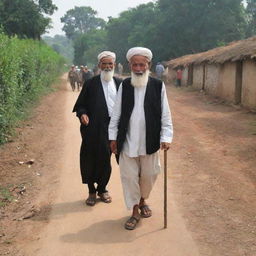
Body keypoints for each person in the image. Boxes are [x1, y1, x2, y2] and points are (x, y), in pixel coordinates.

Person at [109, 47, 173, 230]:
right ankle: (135, 210)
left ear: (148, 65)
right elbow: (116, 114)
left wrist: (166, 136)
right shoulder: (124, 85)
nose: (138, 68)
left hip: (150, 141)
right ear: (130, 65)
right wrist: (112, 137)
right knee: (129, 178)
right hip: (127, 142)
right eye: (135, 65)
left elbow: (165, 115)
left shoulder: (158, 86)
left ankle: (143, 200)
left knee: (149, 176)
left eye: (141, 65)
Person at [73, 51, 122, 206]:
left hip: (112, 128)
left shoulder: (119, 83)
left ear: (114, 65)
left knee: (106, 159)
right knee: (90, 157)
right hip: (93, 128)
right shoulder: (91, 83)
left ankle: (102, 189)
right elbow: (81, 105)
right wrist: (82, 114)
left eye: (110, 64)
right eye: (104, 64)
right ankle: (91, 191)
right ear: (99, 65)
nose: (107, 67)